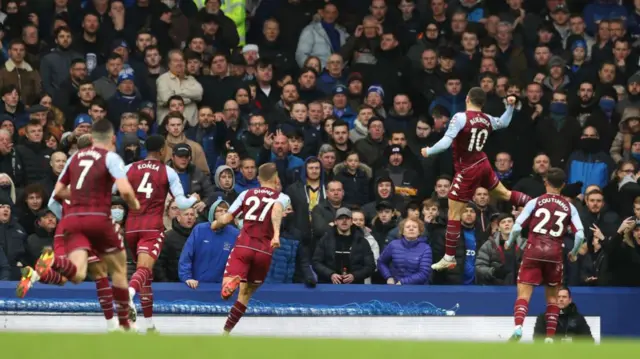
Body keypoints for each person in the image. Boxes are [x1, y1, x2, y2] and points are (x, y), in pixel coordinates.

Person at [35, 120, 141, 331]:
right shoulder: (105, 162)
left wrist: (66, 215)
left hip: (68, 226)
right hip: (95, 222)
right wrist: (134, 205)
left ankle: (42, 271)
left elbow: (53, 198)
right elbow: (124, 191)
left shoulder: (72, 163)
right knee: (111, 272)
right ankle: (121, 323)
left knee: (74, 275)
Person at [16, 134, 122, 332]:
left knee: (65, 278)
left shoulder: (70, 169)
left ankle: (36, 274)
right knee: (100, 276)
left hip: (65, 227)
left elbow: (51, 202)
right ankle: (111, 325)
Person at [421, 88, 532, 271]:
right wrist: (510, 107)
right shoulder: (487, 118)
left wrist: (429, 151)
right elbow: (503, 123)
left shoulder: (460, 118)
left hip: (467, 169)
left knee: (454, 212)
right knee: (504, 194)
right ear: (483, 103)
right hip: (483, 163)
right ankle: (536, 204)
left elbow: (446, 142)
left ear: (467, 99)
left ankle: (449, 257)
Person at [123, 135, 199, 332]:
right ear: (162, 151)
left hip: (131, 226)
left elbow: (112, 189)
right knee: (145, 270)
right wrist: (193, 199)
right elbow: (181, 204)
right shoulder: (168, 171)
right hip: (151, 227)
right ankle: (128, 295)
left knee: (146, 278)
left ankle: (149, 326)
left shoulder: (129, 168)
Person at [504, 168, 585, 343]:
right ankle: (549, 337)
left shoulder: (535, 202)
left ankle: (518, 326)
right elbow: (580, 234)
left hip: (534, 250)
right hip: (554, 253)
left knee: (524, 294)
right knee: (552, 298)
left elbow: (517, 227)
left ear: (545, 182)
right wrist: (573, 252)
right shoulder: (570, 207)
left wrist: (510, 242)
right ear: (563, 185)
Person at [210, 163, 287, 335]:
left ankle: (233, 281)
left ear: (258, 178)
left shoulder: (246, 194)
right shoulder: (282, 197)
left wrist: (215, 223)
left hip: (244, 245)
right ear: (276, 178)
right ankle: (226, 332)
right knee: (245, 295)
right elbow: (276, 209)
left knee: (226, 293)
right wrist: (276, 234)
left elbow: (228, 217)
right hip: (264, 251)